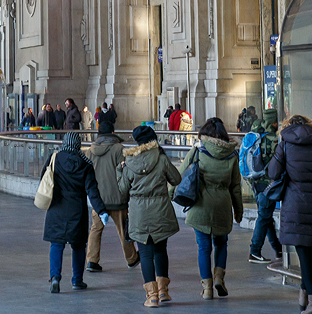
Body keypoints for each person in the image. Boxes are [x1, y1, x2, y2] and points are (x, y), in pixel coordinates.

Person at [117, 125, 182, 308]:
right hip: (160, 210)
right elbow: (176, 179)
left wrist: (119, 171)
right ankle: (164, 292)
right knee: (160, 250)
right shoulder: (161, 158)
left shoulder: (129, 162)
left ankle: (151, 297)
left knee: (145, 254)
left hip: (139, 214)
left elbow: (123, 190)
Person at [180, 117, 243, 299]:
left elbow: (181, 174)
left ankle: (207, 288)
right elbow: (235, 187)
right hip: (222, 205)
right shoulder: (232, 155)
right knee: (221, 243)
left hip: (201, 205)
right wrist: (238, 210)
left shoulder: (198, 151)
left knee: (204, 247)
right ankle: (219, 278)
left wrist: (170, 194)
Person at [40, 132, 109, 293]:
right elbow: (92, 191)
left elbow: (44, 178)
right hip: (76, 211)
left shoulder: (54, 158)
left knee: (56, 244)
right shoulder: (85, 164)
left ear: (64, 143)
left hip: (56, 208)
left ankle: (55, 277)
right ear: (78, 145)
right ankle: (77, 280)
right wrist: (101, 211)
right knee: (78, 246)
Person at [267, 114, 312, 314]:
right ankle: (304, 293)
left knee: (304, 254)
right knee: (310, 255)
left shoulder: (285, 144)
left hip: (296, 204)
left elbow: (273, 173)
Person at [86, 120, 139, 272]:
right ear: (113, 133)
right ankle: (131, 258)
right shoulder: (119, 149)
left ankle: (92, 261)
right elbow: (125, 172)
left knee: (95, 229)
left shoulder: (90, 151)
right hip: (117, 197)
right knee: (123, 229)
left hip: (98, 199)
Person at [248, 108, 283, 263]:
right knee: (264, 217)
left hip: (254, 181)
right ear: (274, 121)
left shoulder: (256, 135)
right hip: (268, 183)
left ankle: (278, 249)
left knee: (266, 216)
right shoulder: (273, 139)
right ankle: (255, 251)